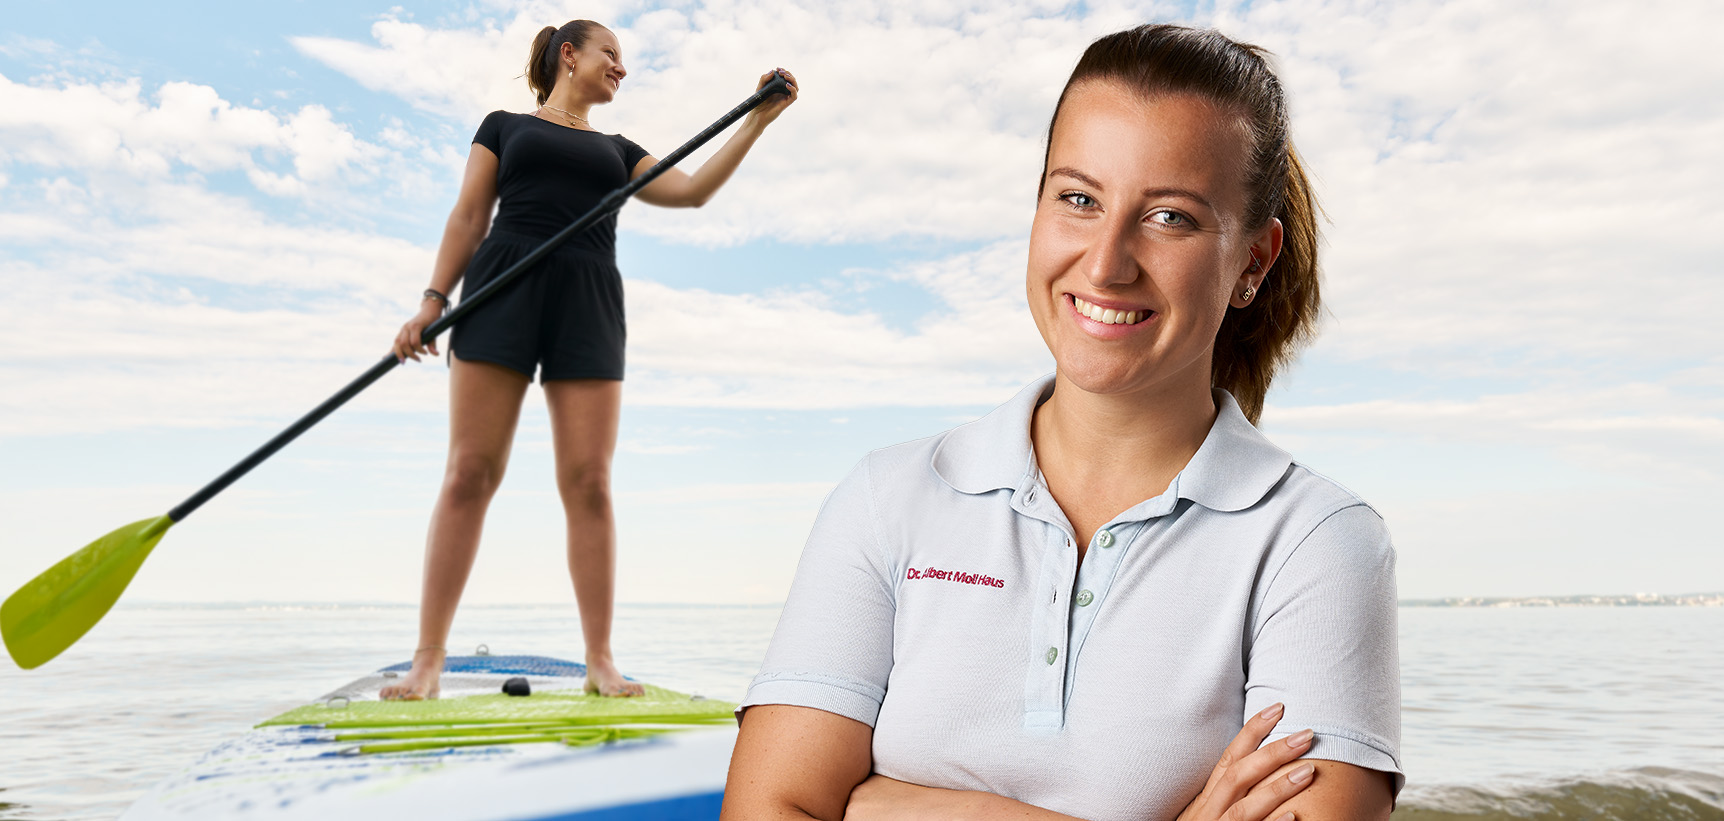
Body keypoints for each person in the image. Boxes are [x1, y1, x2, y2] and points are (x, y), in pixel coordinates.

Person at [722, 25, 1400, 821]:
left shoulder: (1316, 541)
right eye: (1079, 199)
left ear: (1252, 261)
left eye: (1171, 217)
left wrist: (883, 806)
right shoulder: (889, 497)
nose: (1107, 262)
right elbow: (767, 809)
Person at [379, 20, 798, 700]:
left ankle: (600, 659)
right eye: (612, 54)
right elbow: (467, 216)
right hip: (503, 283)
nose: (621, 69)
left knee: (590, 482)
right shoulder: (504, 127)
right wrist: (430, 302)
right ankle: (427, 660)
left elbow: (689, 191)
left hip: (588, 297)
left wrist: (758, 119)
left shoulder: (618, 148)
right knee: (469, 472)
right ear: (569, 55)